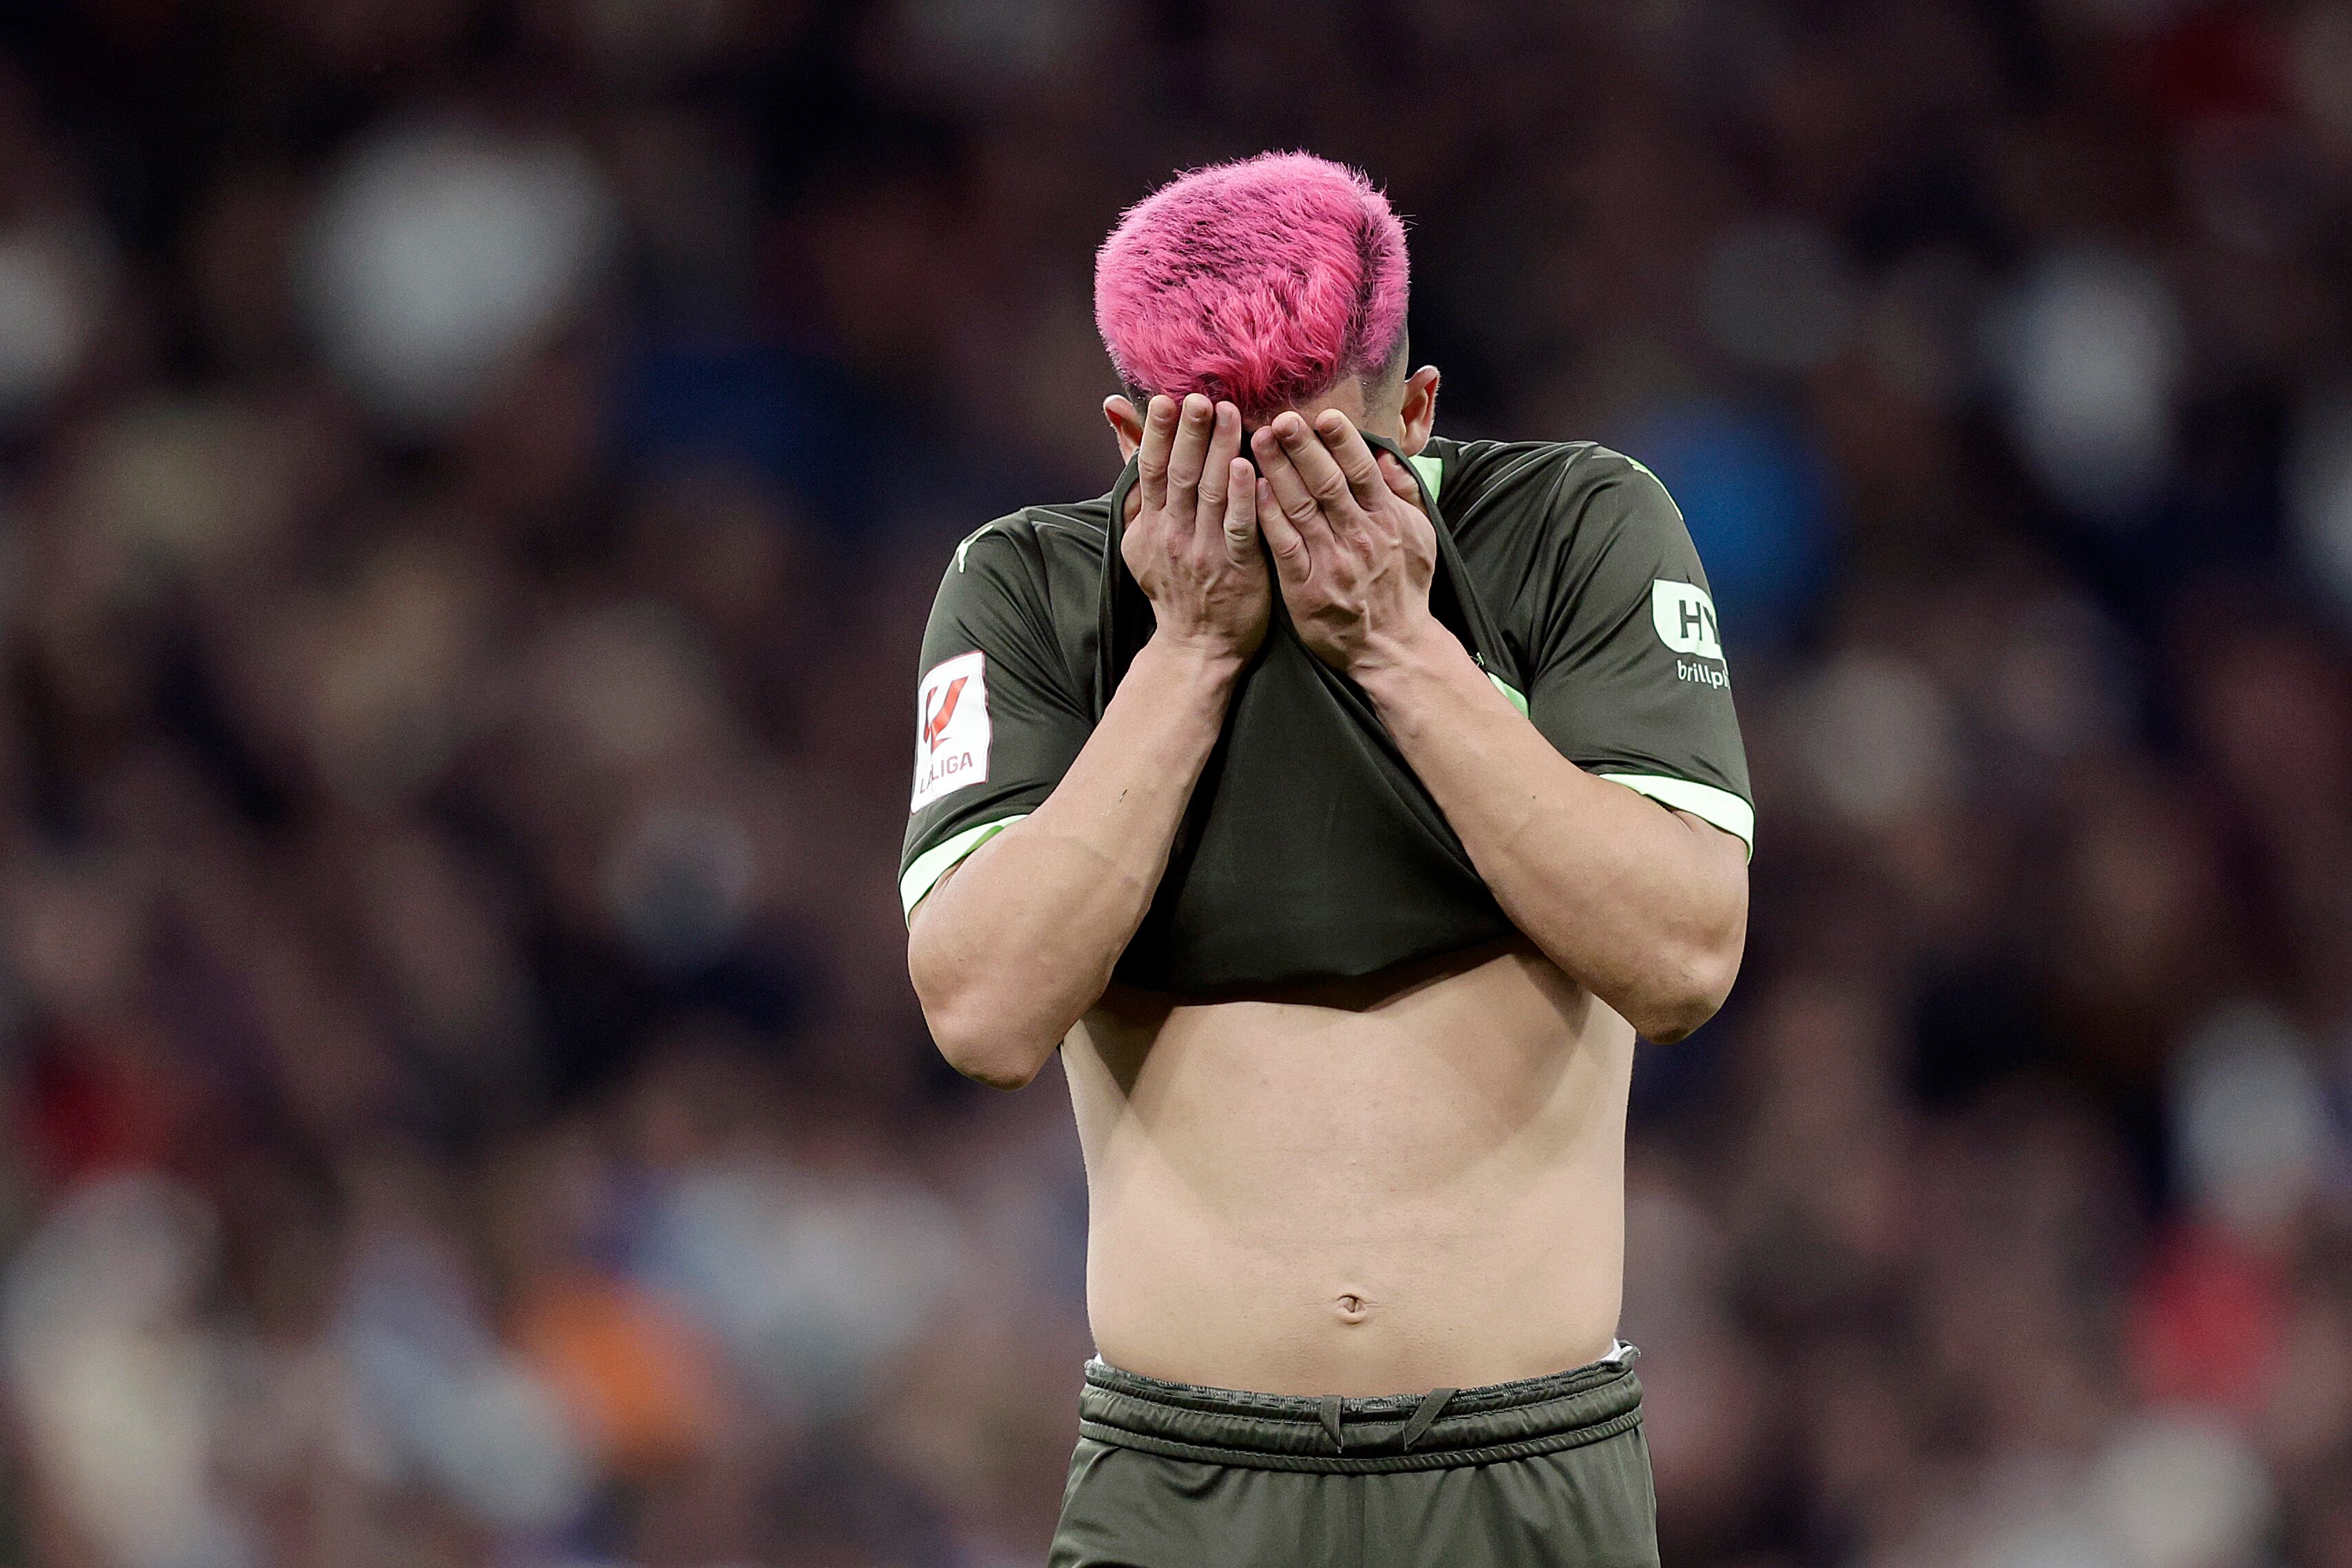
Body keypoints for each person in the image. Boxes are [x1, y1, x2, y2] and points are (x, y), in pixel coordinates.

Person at [900, 152, 1752, 1567]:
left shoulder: (1569, 533)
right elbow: (982, 1010)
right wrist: (1187, 646)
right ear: (1129, 436)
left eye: (1324, 459)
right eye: (1224, 471)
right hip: (1180, 1487)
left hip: (1521, 1473)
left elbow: (1680, 958)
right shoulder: (1032, 591)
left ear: (1413, 413)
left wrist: (1398, 645)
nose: (1285, 521)